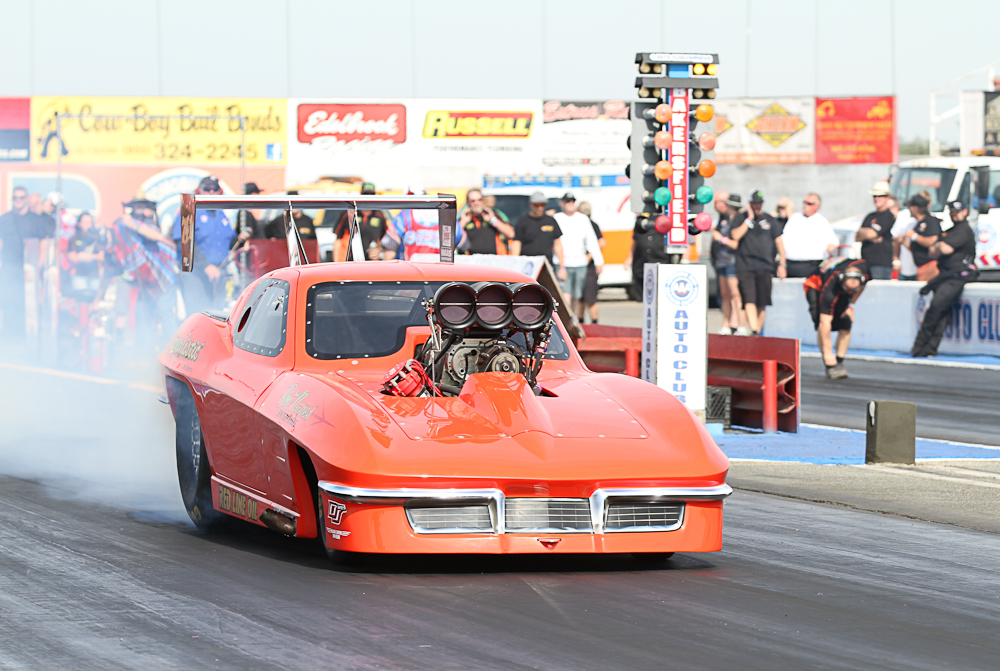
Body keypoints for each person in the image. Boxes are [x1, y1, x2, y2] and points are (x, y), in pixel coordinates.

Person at [911, 201, 978, 358]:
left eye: (957, 211)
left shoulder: (963, 230)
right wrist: (937, 247)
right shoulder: (951, 231)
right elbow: (932, 252)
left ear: (965, 212)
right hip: (946, 275)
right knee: (940, 313)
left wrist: (938, 246)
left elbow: (943, 248)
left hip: (957, 276)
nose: (954, 214)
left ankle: (920, 345)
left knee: (936, 308)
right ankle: (928, 348)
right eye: (952, 211)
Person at [0, 186, 56, 342]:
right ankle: (8, 334)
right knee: (7, 299)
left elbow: (44, 242)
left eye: (21, 197)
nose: (18, 200)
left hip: (29, 268)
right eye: (15, 198)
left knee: (27, 301)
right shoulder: (4, 219)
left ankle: (25, 335)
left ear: (26, 199)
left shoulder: (36, 220)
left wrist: (39, 266)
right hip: (8, 267)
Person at [172, 176, 233, 314]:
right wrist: (206, 266)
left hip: (219, 272)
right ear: (199, 190)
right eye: (207, 189)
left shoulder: (222, 213)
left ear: (220, 191)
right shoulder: (188, 210)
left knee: (218, 315)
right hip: (195, 274)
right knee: (198, 314)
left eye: (214, 189)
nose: (211, 192)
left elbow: (230, 239)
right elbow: (184, 243)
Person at [730, 190, 787, 335]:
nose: (757, 206)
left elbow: (779, 242)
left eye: (759, 203)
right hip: (745, 265)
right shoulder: (740, 218)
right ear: (749, 204)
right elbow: (735, 236)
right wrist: (748, 219)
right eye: (754, 203)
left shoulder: (769, 219)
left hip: (765, 265)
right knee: (749, 299)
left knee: (762, 302)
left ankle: (757, 332)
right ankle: (754, 330)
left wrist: (782, 263)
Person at [803, 257, 870, 379]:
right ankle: (829, 363)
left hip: (842, 285)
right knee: (821, 324)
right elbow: (824, 322)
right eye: (849, 289)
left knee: (846, 323)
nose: (851, 292)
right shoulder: (830, 288)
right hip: (816, 285)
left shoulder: (865, 271)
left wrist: (851, 305)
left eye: (853, 290)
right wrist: (828, 353)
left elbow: (863, 287)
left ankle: (839, 361)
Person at [553, 192, 603, 320]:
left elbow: (592, 241)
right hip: (562, 263)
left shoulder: (583, 219)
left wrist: (598, 261)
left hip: (580, 263)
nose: (570, 203)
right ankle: (566, 320)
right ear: (562, 203)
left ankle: (572, 319)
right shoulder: (556, 218)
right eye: (567, 201)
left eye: (572, 201)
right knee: (565, 294)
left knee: (577, 296)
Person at [381, 186, 461, 263]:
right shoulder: (445, 215)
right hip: (440, 272)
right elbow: (464, 243)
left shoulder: (404, 216)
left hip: (410, 273)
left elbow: (390, 251)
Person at [711, 193, 747, 335]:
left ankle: (740, 325)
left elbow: (736, 243)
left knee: (736, 295)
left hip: (734, 262)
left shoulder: (739, 219)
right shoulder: (725, 219)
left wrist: (721, 239)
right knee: (725, 295)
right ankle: (726, 325)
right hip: (722, 261)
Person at [779, 193, 838, 278]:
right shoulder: (795, 218)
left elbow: (833, 243)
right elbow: (781, 241)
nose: (805, 205)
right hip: (792, 265)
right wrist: (782, 264)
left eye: (809, 203)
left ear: (817, 206)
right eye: (804, 202)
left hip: (812, 266)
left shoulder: (821, 221)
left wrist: (830, 248)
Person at [511, 191, 566, 271]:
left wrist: (562, 266)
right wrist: (515, 264)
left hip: (546, 265)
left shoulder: (550, 221)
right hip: (528, 265)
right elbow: (517, 243)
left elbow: (557, 244)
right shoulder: (523, 221)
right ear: (530, 204)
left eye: (543, 205)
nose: (540, 208)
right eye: (537, 205)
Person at [333, 183, 389, 261]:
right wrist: (337, 263)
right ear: (361, 195)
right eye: (365, 194)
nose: (368, 197)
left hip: (372, 263)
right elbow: (338, 240)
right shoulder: (348, 214)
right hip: (350, 262)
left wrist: (378, 250)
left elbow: (385, 240)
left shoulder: (380, 216)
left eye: (371, 194)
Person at [856, 181, 896, 280]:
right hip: (866, 262)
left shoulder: (888, 216)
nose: (876, 198)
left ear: (887, 197)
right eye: (874, 196)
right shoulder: (870, 216)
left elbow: (872, 234)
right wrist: (867, 234)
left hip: (881, 264)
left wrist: (867, 233)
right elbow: (857, 236)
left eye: (880, 196)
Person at [64, 211, 109, 301]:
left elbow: (102, 257)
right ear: (79, 224)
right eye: (85, 222)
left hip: (95, 276)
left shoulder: (98, 238)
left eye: (89, 222)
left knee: (94, 301)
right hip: (79, 276)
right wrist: (84, 257)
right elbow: (73, 257)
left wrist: (86, 257)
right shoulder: (74, 238)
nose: (88, 225)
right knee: (80, 300)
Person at [896, 194, 941, 282]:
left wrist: (914, 236)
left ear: (915, 208)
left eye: (909, 207)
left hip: (930, 265)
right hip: (920, 267)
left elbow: (932, 241)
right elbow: (916, 248)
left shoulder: (931, 221)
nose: (908, 209)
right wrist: (903, 241)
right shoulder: (917, 224)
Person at [459, 188, 515, 255]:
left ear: (483, 201)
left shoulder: (494, 215)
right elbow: (451, 239)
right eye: (473, 201)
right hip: (471, 261)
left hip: (493, 260)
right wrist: (463, 223)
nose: (476, 203)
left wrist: (493, 221)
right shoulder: (464, 218)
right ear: (467, 202)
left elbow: (511, 234)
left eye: (479, 200)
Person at [577, 201, 605, 324]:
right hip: (579, 265)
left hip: (588, 267)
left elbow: (602, 242)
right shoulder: (581, 223)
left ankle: (594, 324)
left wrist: (589, 256)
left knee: (589, 298)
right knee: (580, 298)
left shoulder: (591, 225)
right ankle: (581, 323)